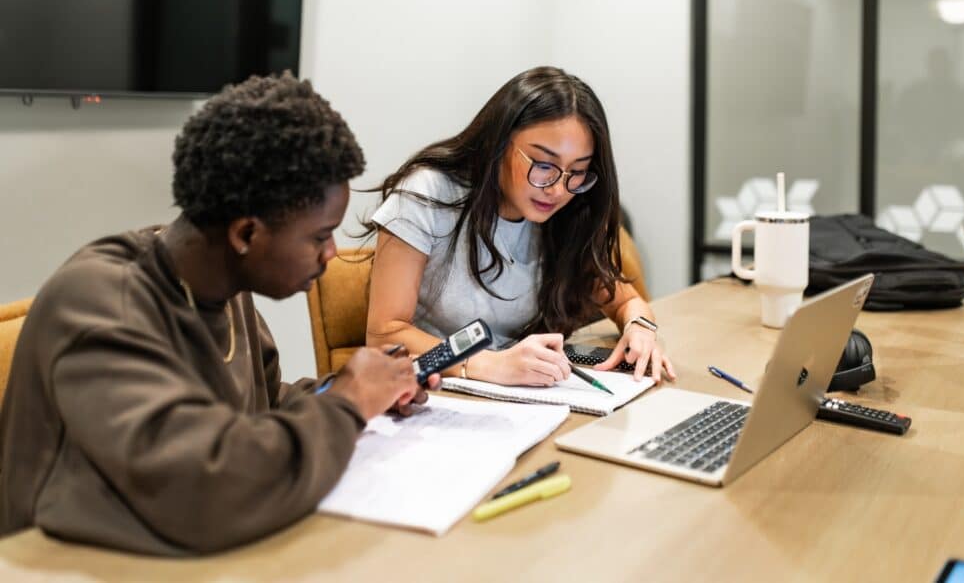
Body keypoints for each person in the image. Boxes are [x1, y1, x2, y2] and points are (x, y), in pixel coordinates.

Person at [0, 72, 434, 555]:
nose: (332, 253)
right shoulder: (101, 303)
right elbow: (202, 489)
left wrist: (368, 390)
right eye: (319, 235)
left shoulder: (225, 285)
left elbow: (263, 410)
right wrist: (347, 405)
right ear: (246, 234)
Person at [365, 66, 675, 386]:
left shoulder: (566, 216)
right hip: (434, 394)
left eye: (578, 171)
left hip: (522, 398)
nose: (557, 189)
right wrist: (487, 365)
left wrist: (641, 328)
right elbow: (383, 333)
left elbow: (627, 301)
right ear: (500, 141)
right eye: (543, 165)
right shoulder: (427, 193)